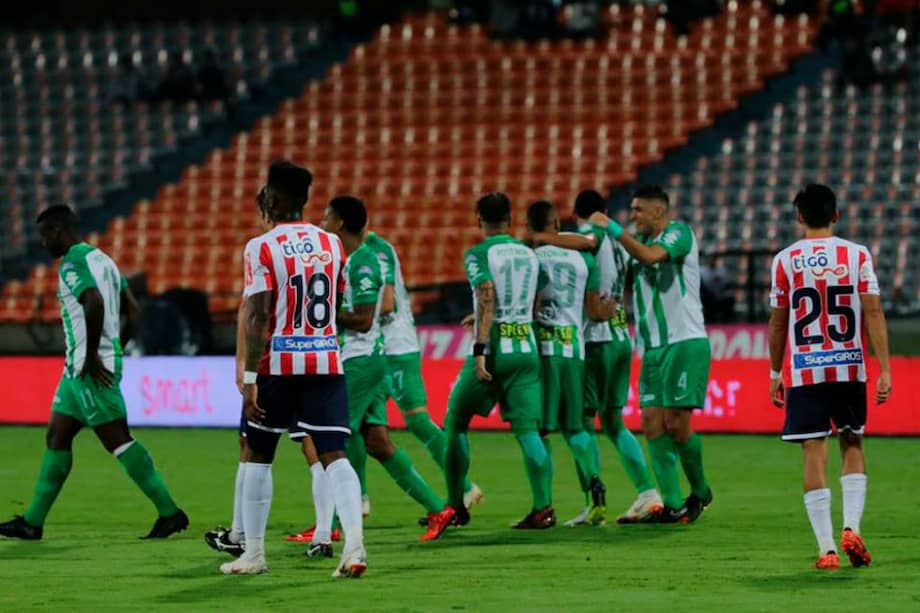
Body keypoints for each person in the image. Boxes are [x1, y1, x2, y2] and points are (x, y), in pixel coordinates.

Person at [0, 205, 187, 541]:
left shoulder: (72, 261)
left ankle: (170, 512)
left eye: (45, 235)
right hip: (80, 369)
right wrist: (114, 348)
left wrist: (92, 357)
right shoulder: (103, 260)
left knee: (117, 440)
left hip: (88, 367)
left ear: (59, 231)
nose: (43, 244)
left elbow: (94, 302)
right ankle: (32, 521)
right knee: (57, 435)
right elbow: (134, 309)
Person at [225, 160, 366, 578]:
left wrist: (250, 379)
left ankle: (253, 554)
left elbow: (257, 315)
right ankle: (354, 547)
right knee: (334, 455)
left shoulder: (262, 246)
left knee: (257, 455)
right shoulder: (332, 244)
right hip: (325, 359)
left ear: (271, 198)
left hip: (279, 363)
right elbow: (339, 308)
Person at [768, 183, 891, 570]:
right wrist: (884, 368)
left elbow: (779, 320)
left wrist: (775, 370)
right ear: (835, 215)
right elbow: (872, 312)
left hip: (806, 370)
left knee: (813, 452)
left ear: (799, 216)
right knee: (852, 442)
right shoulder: (857, 255)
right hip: (850, 365)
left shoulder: (785, 260)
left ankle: (826, 549)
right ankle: (851, 527)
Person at [321, 196, 456, 541]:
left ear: (340, 224)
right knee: (377, 442)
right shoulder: (355, 261)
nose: (322, 223)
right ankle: (438, 508)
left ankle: (332, 525)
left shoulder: (364, 262)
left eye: (327, 217)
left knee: (333, 438)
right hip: (370, 359)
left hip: (361, 361)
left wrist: (325, 314)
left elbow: (365, 320)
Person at [531, 190, 662, 525]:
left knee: (580, 424)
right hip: (621, 335)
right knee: (615, 422)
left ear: (577, 216)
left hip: (596, 339)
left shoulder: (595, 234)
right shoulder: (621, 245)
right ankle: (648, 492)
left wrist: (544, 237)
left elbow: (590, 241)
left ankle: (594, 499)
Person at [588, 185, 713, 523]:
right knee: (652, 423)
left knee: (677, 422)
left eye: (638, 211)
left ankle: (700, 491)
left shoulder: (678, 233)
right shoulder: (635, 246)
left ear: (659, 211)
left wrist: (613, 228)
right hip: (653, 347)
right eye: (631, 211)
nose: (633, 217)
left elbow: (652, 257)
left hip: (684, 341)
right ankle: (673, 505)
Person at [443, 192, 553, 530]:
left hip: (496, 348)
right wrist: (476, 316)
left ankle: (455, 506)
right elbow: (532, 304)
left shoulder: (479, 253)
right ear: (510, 218)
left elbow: (488, 297)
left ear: (479, 218)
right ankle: (543, 508)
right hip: (527, 344)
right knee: (528, 432)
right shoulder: (530, 255)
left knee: (456, 422)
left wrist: (480, 348)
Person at [528, 200, 618, 526]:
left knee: (539, 432)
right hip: (575, 349)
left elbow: (531, 307)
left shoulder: (533, 257)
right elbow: (595, 311)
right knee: (576, 427)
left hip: (545, 350)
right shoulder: (583, 258)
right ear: (556, 221)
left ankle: (543, 505)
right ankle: (594, 480)